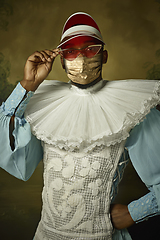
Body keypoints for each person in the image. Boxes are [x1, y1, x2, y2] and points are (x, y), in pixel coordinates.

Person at [0, 12, 160, 240]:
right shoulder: (43, 103)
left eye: (90, 49)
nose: (81, 59)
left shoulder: (133, 108)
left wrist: (133, 213)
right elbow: (16, 161)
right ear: (62, 60)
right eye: (71, 52)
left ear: (104, 56)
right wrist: (27, 85)